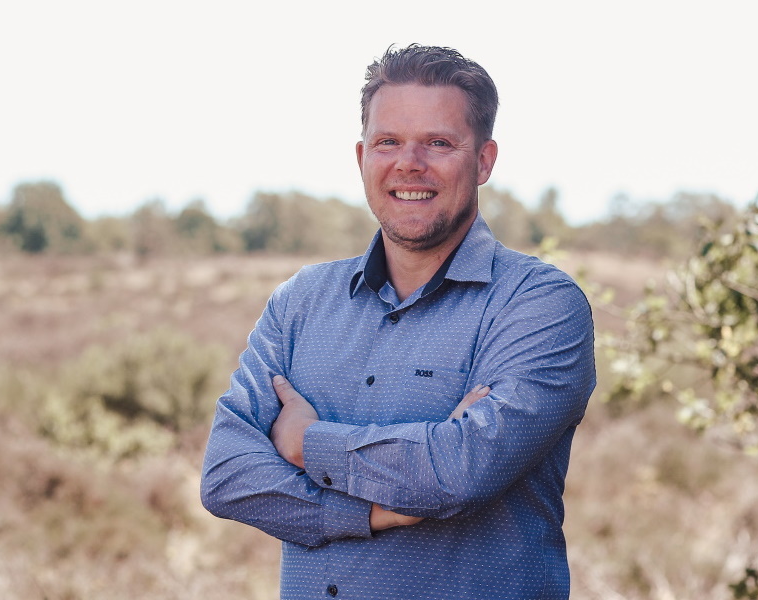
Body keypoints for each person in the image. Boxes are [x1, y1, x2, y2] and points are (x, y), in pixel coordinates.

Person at [199, 44, 597, 599]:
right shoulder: (300, 302)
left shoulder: (538, 305)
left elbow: (461, 473)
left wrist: (307, 443)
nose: (410, 163)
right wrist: (371, 513)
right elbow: (226, 475)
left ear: (484, 160)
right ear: (362, 156)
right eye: (388, 142)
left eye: (439, 143)